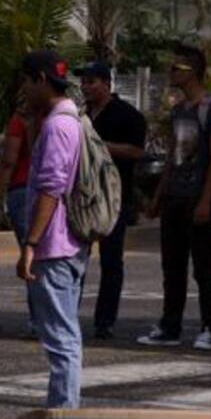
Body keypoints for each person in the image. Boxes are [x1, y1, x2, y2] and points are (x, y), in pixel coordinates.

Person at [138, 44, 211, 350]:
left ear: (192, 73)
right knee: (172, 266)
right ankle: (170, 325)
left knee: (203, 267)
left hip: (197, 197)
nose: (171, 72)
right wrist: (158, 196)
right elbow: (171, 158)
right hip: (175, 197)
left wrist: (205, 200)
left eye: (177, 68)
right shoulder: (178, 111)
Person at [16, 50, 88, 407]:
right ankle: (60, 410)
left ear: (42, 80)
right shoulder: (63, 120)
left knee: (62, 340)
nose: (24, 89)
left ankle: (64, 417)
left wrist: (31, 243)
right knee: (63, 336)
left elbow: (51, 187)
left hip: (55, 246)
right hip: (65, 243)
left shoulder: (60, 125)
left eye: (27, 81)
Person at [75, 62, 147, 340]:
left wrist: (99, 146)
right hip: (81, 197)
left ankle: (105, 321)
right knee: (75, 258)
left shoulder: (128, 115)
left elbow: (137, 151)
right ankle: (69, 314)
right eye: (83, 82)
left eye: (91, 82)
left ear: (107, 84)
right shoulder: (79, 114)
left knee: (111, 261)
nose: (86, 87)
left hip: (114, 198)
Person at [0, 96, 42, 338]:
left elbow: (9, 160)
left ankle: (38, 320)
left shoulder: (21, 120)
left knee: (31, 259)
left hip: (23, 189)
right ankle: (47, 318)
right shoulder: (59, 117)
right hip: (48, 192)